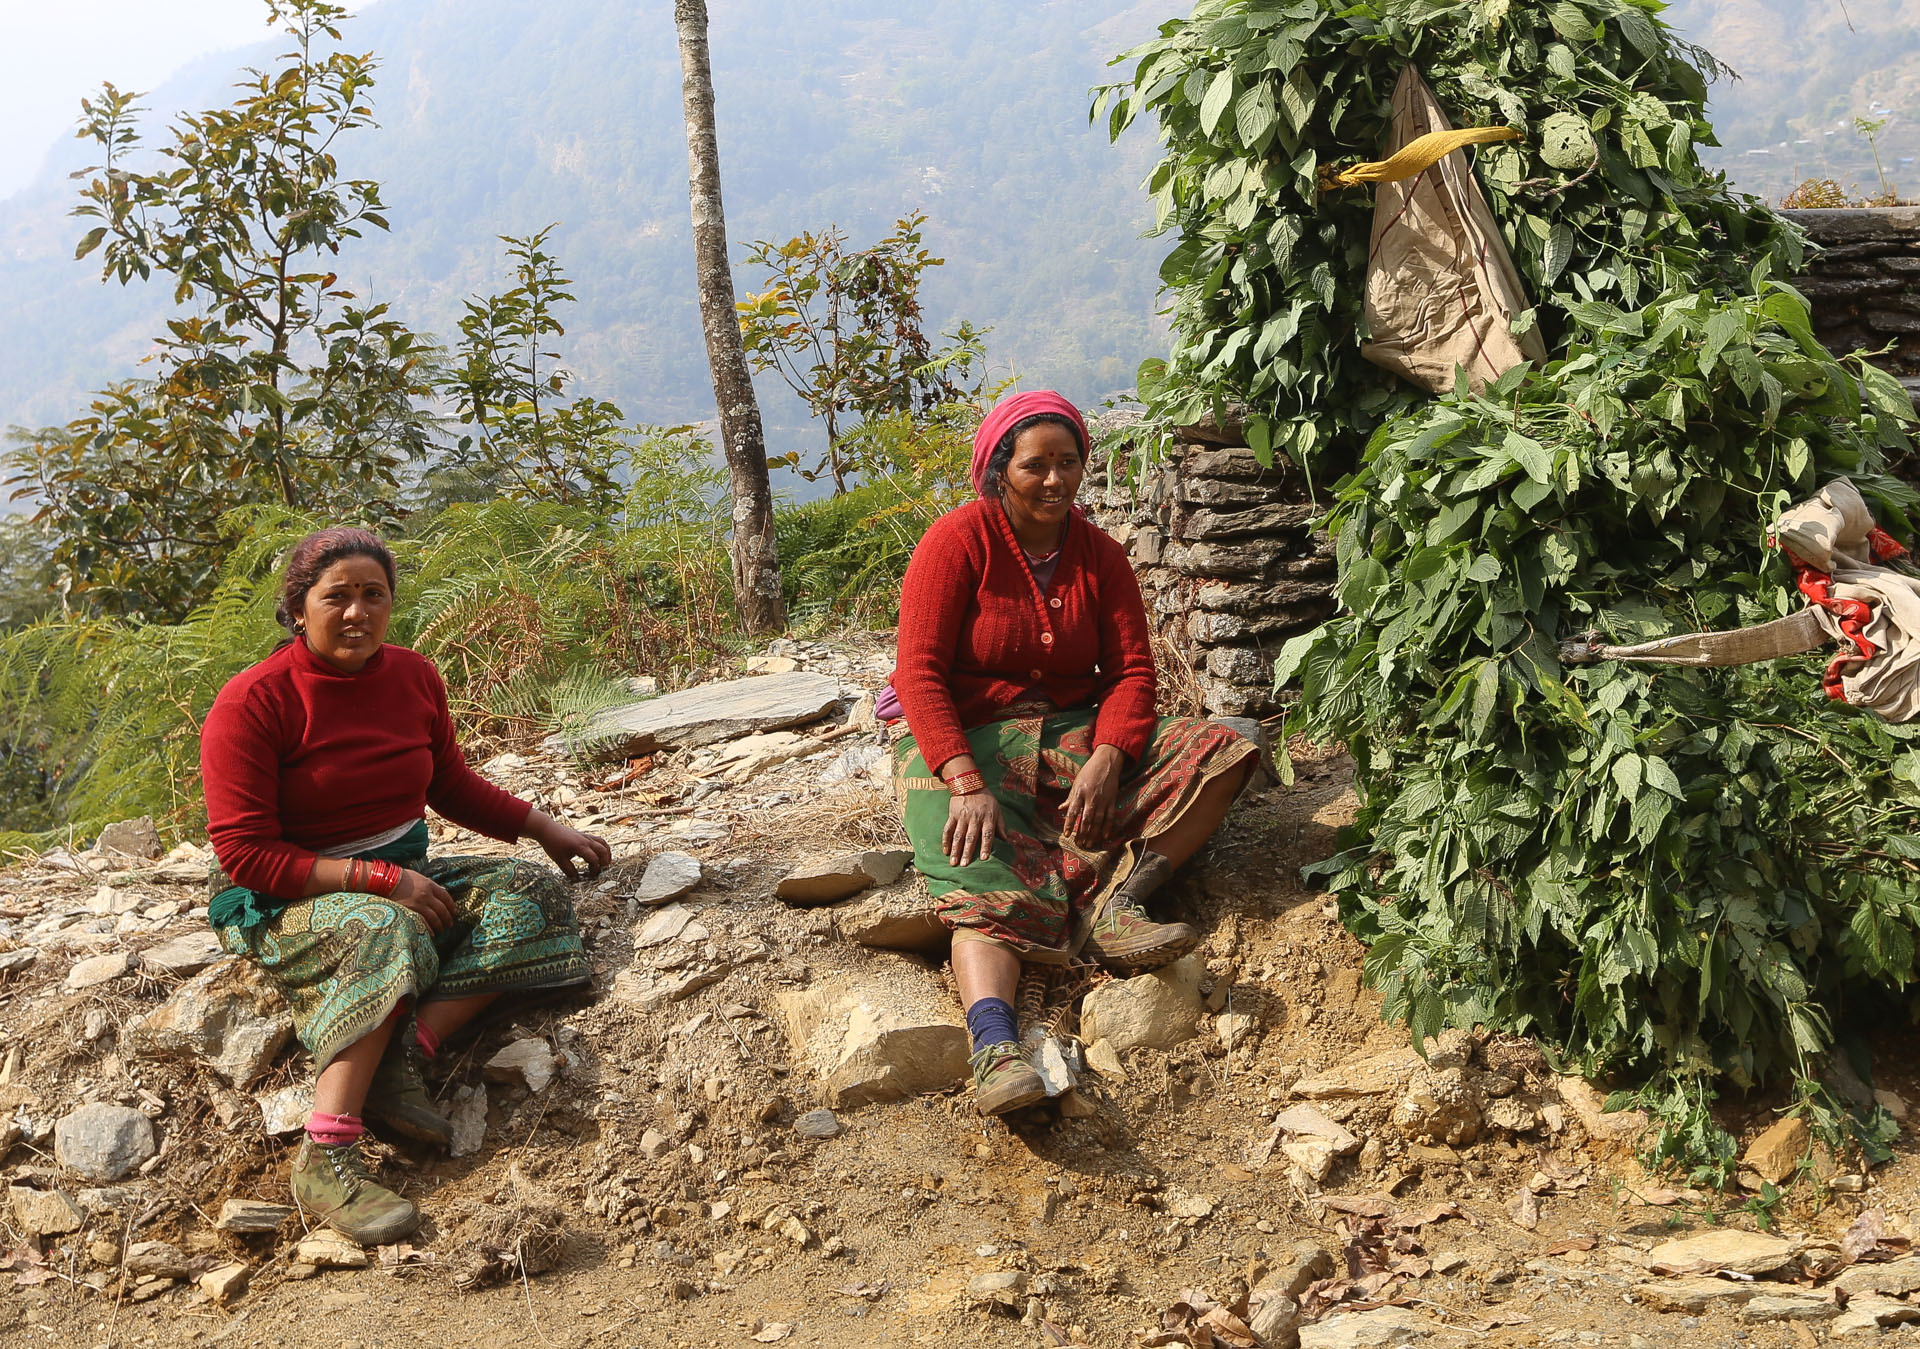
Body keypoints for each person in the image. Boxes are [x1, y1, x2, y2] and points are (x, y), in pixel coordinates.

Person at [200, 527, 611, 1243]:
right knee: (384, 928)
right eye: (338, 597)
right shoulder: (253, 702)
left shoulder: (414, 676)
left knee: (530, 892)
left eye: (373, 595)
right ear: (299, 609)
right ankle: (326, 1153)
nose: (357, 611)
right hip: (281, 892)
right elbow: (246, 854)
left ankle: (404, 1056)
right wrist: (380, 881)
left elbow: (448, 780)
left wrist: (544, 828)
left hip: (398, 869)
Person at [885, 390, 1258, 1116]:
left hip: (1071, 732)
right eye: (1035, 465)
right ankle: (994, 1048)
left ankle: (1118, 907)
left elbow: (1131, 674)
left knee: (1227, 750)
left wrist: (1112, 753)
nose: (1055, 480)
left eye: (1068, 462)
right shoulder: (957, 542)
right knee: (979, 869)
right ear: (999, 469)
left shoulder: (1101, 556)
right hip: (964, 742)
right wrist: (962, 780)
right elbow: (919, 672)